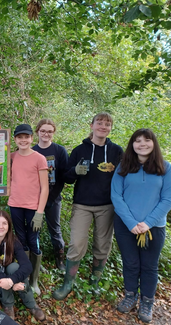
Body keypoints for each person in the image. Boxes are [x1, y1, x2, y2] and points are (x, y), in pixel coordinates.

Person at [53, 113, 123, 300]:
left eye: (107, 124)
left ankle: (94, 281)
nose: (103, 126)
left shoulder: (116, 151)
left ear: (110, 128)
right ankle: (68, 282)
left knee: (103, 245)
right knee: (77, 243)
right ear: (91, 125)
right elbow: (66, 178)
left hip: (107, 205)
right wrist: (75, 171)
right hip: (82, 204)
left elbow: (125, 178)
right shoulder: (79, 150)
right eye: (99, 123)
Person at [111, 129, 171, 323]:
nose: (142, 144)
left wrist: (148, 223)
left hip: (154, 228)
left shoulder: (165, 168)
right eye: (137, 141)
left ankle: (147, 302)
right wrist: (131, 223)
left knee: (149, 266)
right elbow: (116, 196)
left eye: (147, 140)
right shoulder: (123, 167)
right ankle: (130, 295)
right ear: (132, 145)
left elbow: (168, 199)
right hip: (126, 226)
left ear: (153, 143)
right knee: (130, 263)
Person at [0, 210, 46, 321]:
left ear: (9, 226)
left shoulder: (13, 240)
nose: (1, 226)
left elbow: (27, 265)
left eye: (4, 223)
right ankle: (8, 304)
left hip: (6, 275)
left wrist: (11, 280)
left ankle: (31, 304)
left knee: (14, 267)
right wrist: (11, 283)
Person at [8, 124, 49, 295]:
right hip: (15, 204)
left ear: (32, 138)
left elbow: (45, 188)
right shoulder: (11, 157)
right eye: (19, 137)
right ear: (15, 139)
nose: (23, 140)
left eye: (26, 137)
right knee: (20, 240)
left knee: (33, 241)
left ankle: (34, 280)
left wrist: (40, 212)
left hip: (33, 207)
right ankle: (24, 276)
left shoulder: (39, 158)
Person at [32, 119, 69, 271]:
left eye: (49, 131)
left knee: (55, 229)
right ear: (37, 132)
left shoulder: (59, 151)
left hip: (54, 197)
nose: (46, 134)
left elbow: (63, 176)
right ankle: (36, 260)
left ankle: (60, 260)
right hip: (34, 198)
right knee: (35, 228)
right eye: (43, 131)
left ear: (53, 133)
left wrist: (51, 197)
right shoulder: (33, 150)